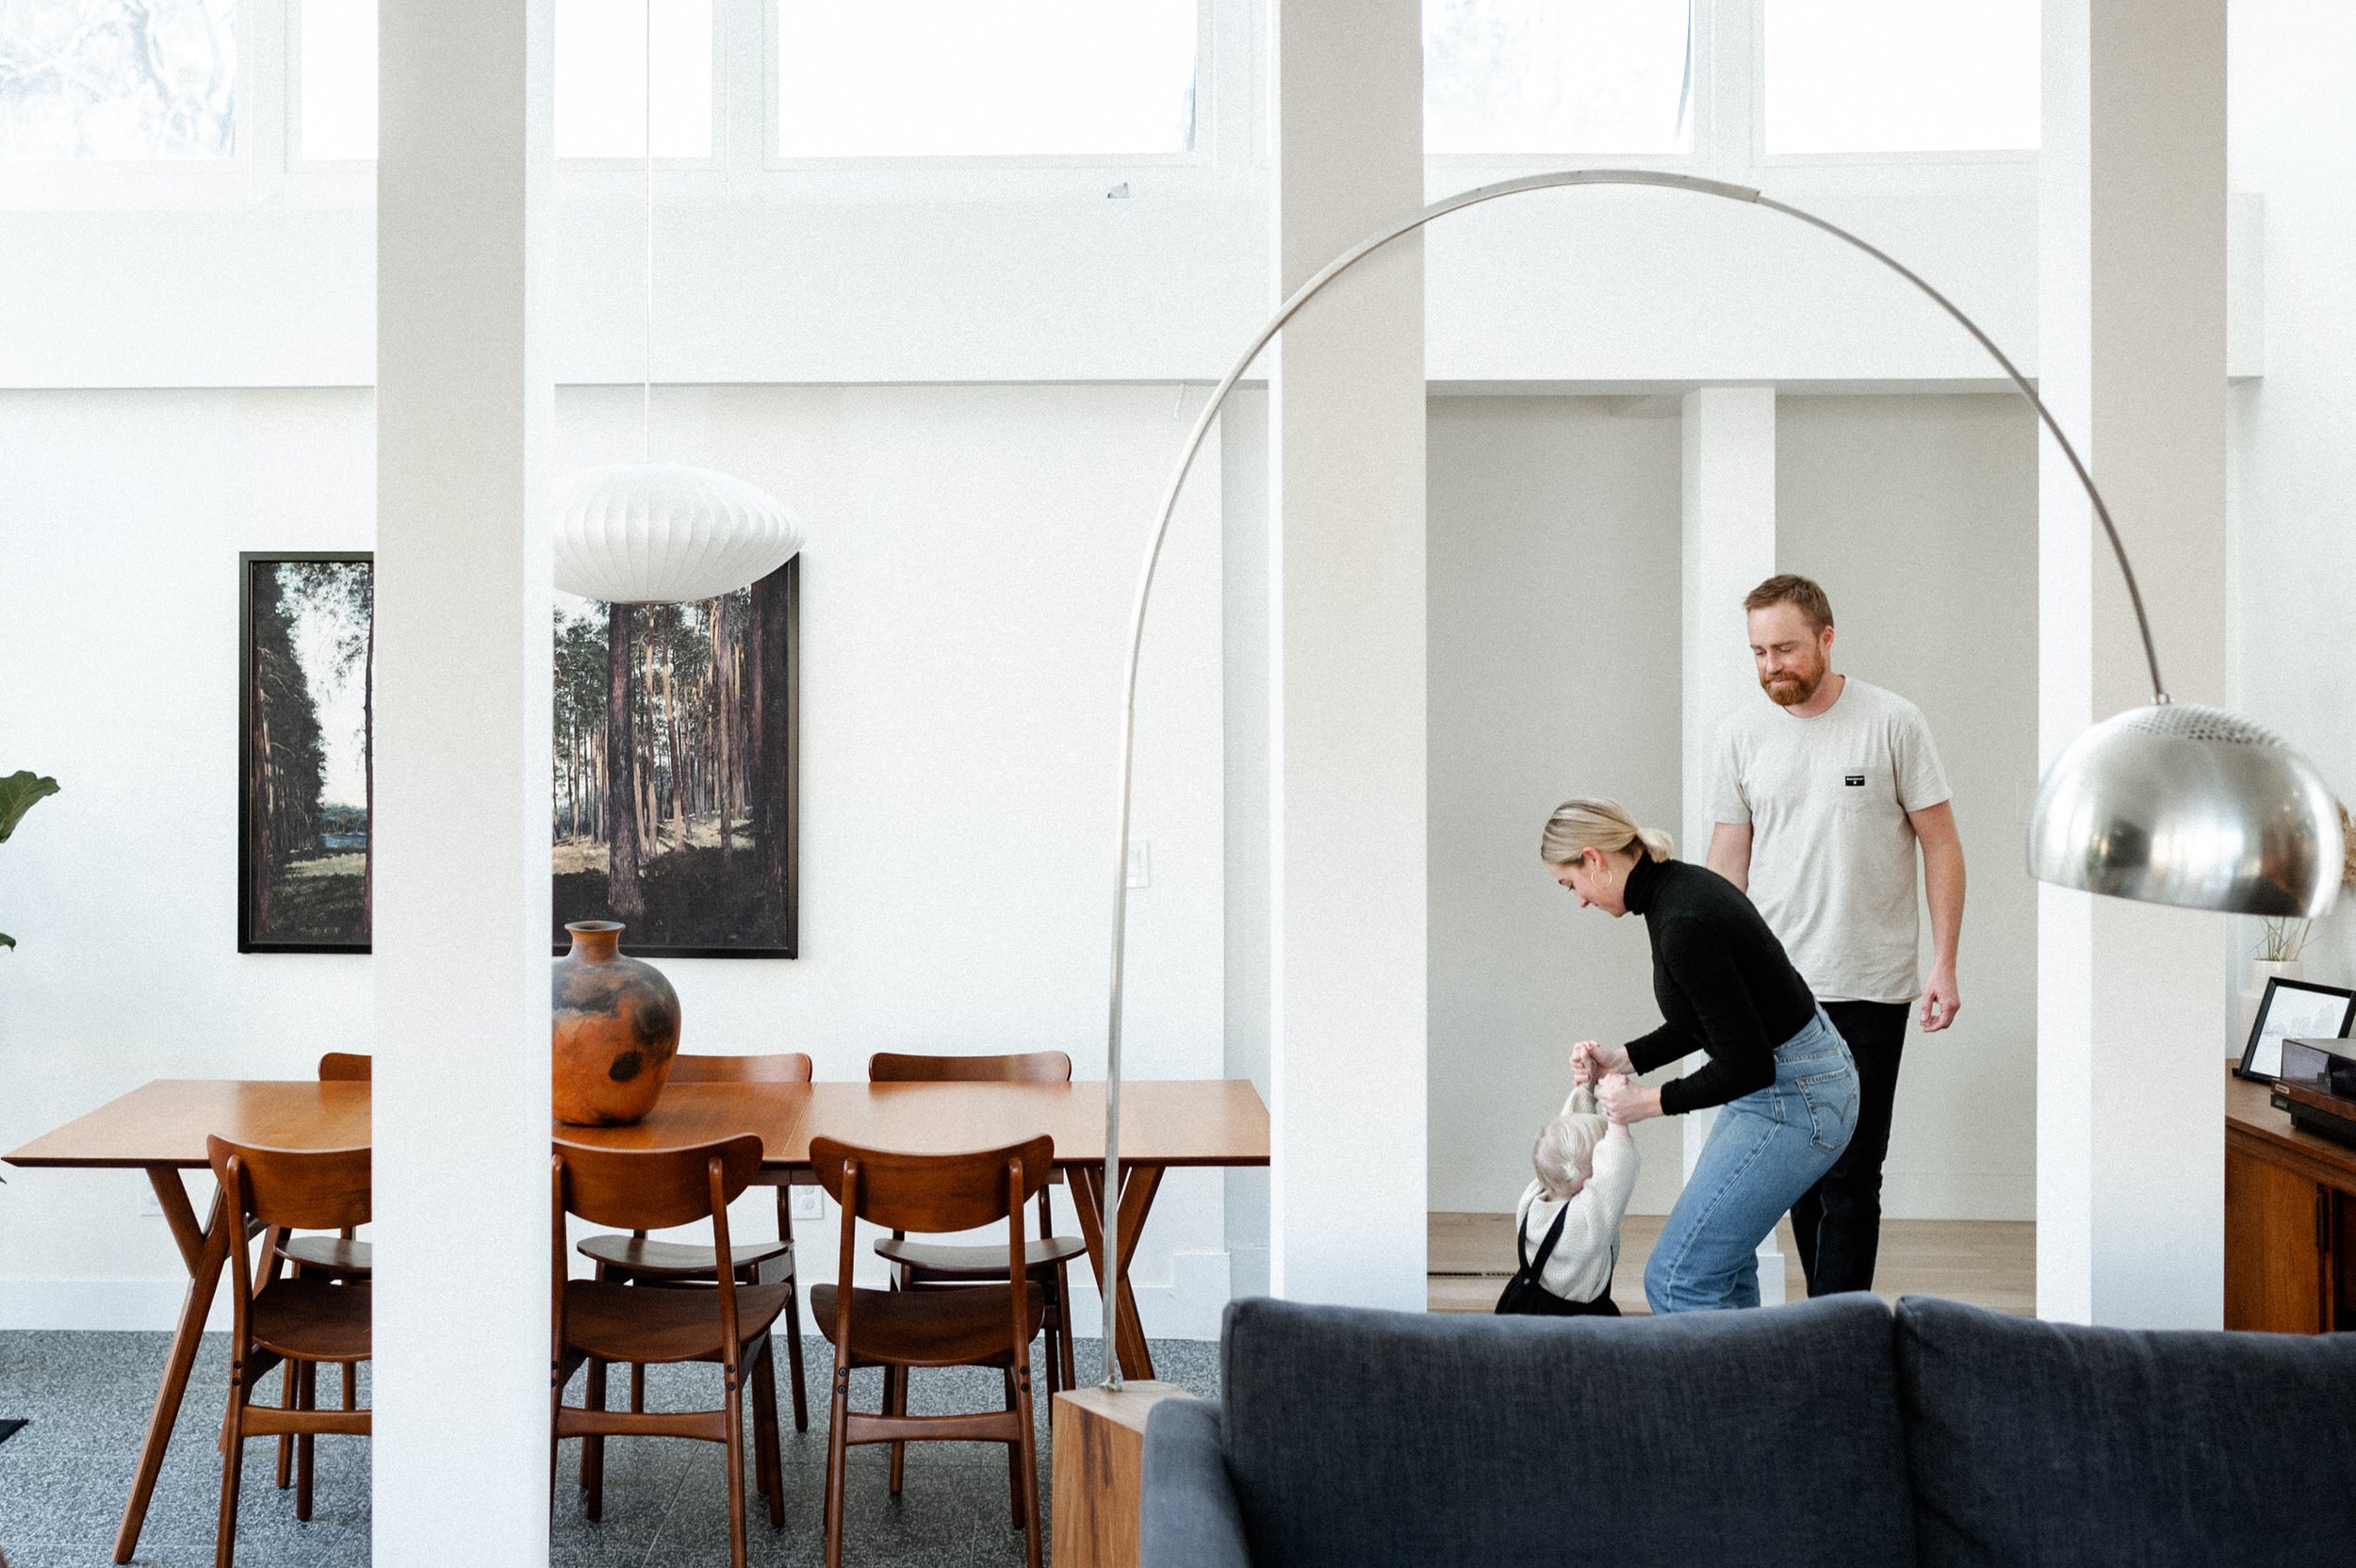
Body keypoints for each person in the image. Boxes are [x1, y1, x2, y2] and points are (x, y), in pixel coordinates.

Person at [1708, 574, 1965, 1298]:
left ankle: (1836, 1333)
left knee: (1853, 1173)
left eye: (1784, 649)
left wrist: (1944, 963)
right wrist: (1712, 983)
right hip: (1776, 992)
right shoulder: (1738, 736)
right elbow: (1727, 870)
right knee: (1799, 1169)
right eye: (1758, 652)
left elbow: (1942, 845)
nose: (1770, 667)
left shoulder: (1893, 722)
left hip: (1871, 984)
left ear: (1825, 638)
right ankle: (1827, 1327)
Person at [1544, 798, 1859, 1313]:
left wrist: (1645, 1103)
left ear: (1593, 859)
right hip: (1795, 1079)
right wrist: (1622, 1059)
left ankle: (1710, 1393)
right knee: (1718, 1266)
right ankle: (1747, 1387)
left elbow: (1749, 1063)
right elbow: (1712, 1017)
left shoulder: (1681, 918)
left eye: (1569, 883)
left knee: (1677, 1280)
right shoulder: (1674, 891)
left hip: (1797, 1098)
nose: (1577, 900)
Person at [1505, 1077, 1639, 1316]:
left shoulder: (1537, 1193)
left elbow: (1566, 1143)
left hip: (1524, 1303)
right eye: (1601, 1154)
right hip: (1571, 1322)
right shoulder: (1585, 1225)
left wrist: (1585, 1089)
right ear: (1587, 1182)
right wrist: (1618, 1118)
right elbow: (1617, 1173)